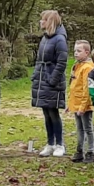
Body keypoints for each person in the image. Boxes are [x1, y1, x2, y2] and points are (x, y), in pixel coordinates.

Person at [32, 11, 69, 157]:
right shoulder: (44, 38)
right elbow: (39, 60)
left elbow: (62, 62)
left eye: (43, 20)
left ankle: (60, 144)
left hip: (52, 82)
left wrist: (52, 80)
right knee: (46, 113)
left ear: (50, 21)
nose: (41, 22)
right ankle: (50, 143)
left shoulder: (59, 39)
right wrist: (36, 75)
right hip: (41, 80)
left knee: (53, 113)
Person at [67, 39, 94, 163]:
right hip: (76, 103)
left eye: (79, 51)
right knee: (79, 128)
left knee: (87, 128)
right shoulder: (77, 66)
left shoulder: (87, 68)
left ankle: (90, 151)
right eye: (75, 51)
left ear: (87, 52)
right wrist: (70, 104)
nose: (76, 53)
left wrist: (83, 106)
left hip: (85, 105)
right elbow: (74, 87)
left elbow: (86, 88)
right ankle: (79, 150)